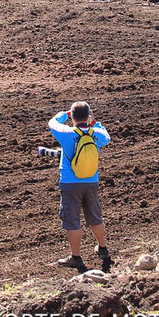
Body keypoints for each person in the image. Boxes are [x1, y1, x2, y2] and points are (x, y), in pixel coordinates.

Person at [48, 101, 112, 273]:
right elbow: (106, 135)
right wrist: (94, 122)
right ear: (88, 116)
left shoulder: (66, 133)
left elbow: (52, 122)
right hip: (91, 181)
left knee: (72, 220)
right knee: (95, 217)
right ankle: (103, 249)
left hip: (70, 184)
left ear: (73, 117)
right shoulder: (97, 134)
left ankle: (76, 257)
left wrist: (66, 114)